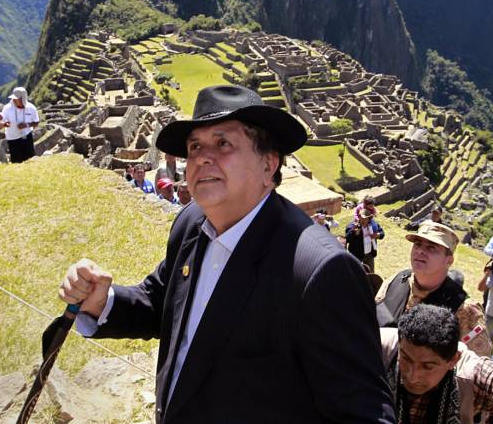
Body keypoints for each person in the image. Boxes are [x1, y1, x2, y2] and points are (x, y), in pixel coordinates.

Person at [58, 84, 394, 423]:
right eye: (194, 146)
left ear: (268, 165)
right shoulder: (191, 224)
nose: (203, 157)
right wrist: (104, 302)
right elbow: (165, 302)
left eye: (223, 143)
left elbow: (362, 413)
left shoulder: (318, 271)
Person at [376, 221, 492, 357]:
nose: (420, 251)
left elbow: (476, 365)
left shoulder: (465, 310)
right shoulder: (395, 281)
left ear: (449, 261)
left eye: (431, 248)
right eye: (417, 244)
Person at [1, 86, 39, 163]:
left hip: (26, 137)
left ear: (23, 98)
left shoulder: (31, 108)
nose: (14, 100)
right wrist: (5, 124)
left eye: (16, 98)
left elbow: (36, 122)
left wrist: (27, 125)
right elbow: (1, 122)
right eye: (13, 98)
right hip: (12, 138)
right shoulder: (7, 108)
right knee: (16, 161)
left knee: (30, 159)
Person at [345, 207, 385, 272]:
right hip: (356, 256)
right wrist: (353, 233)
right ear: (359, 217)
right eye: (362, 218)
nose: (364, 220)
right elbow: (347, 239)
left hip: (369, 255)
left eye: (366, 218)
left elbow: (382, 233)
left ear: (369, 219)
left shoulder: (373, 225)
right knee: (356, 274)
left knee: (371, 274)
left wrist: (378, 235)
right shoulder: (353, 225)